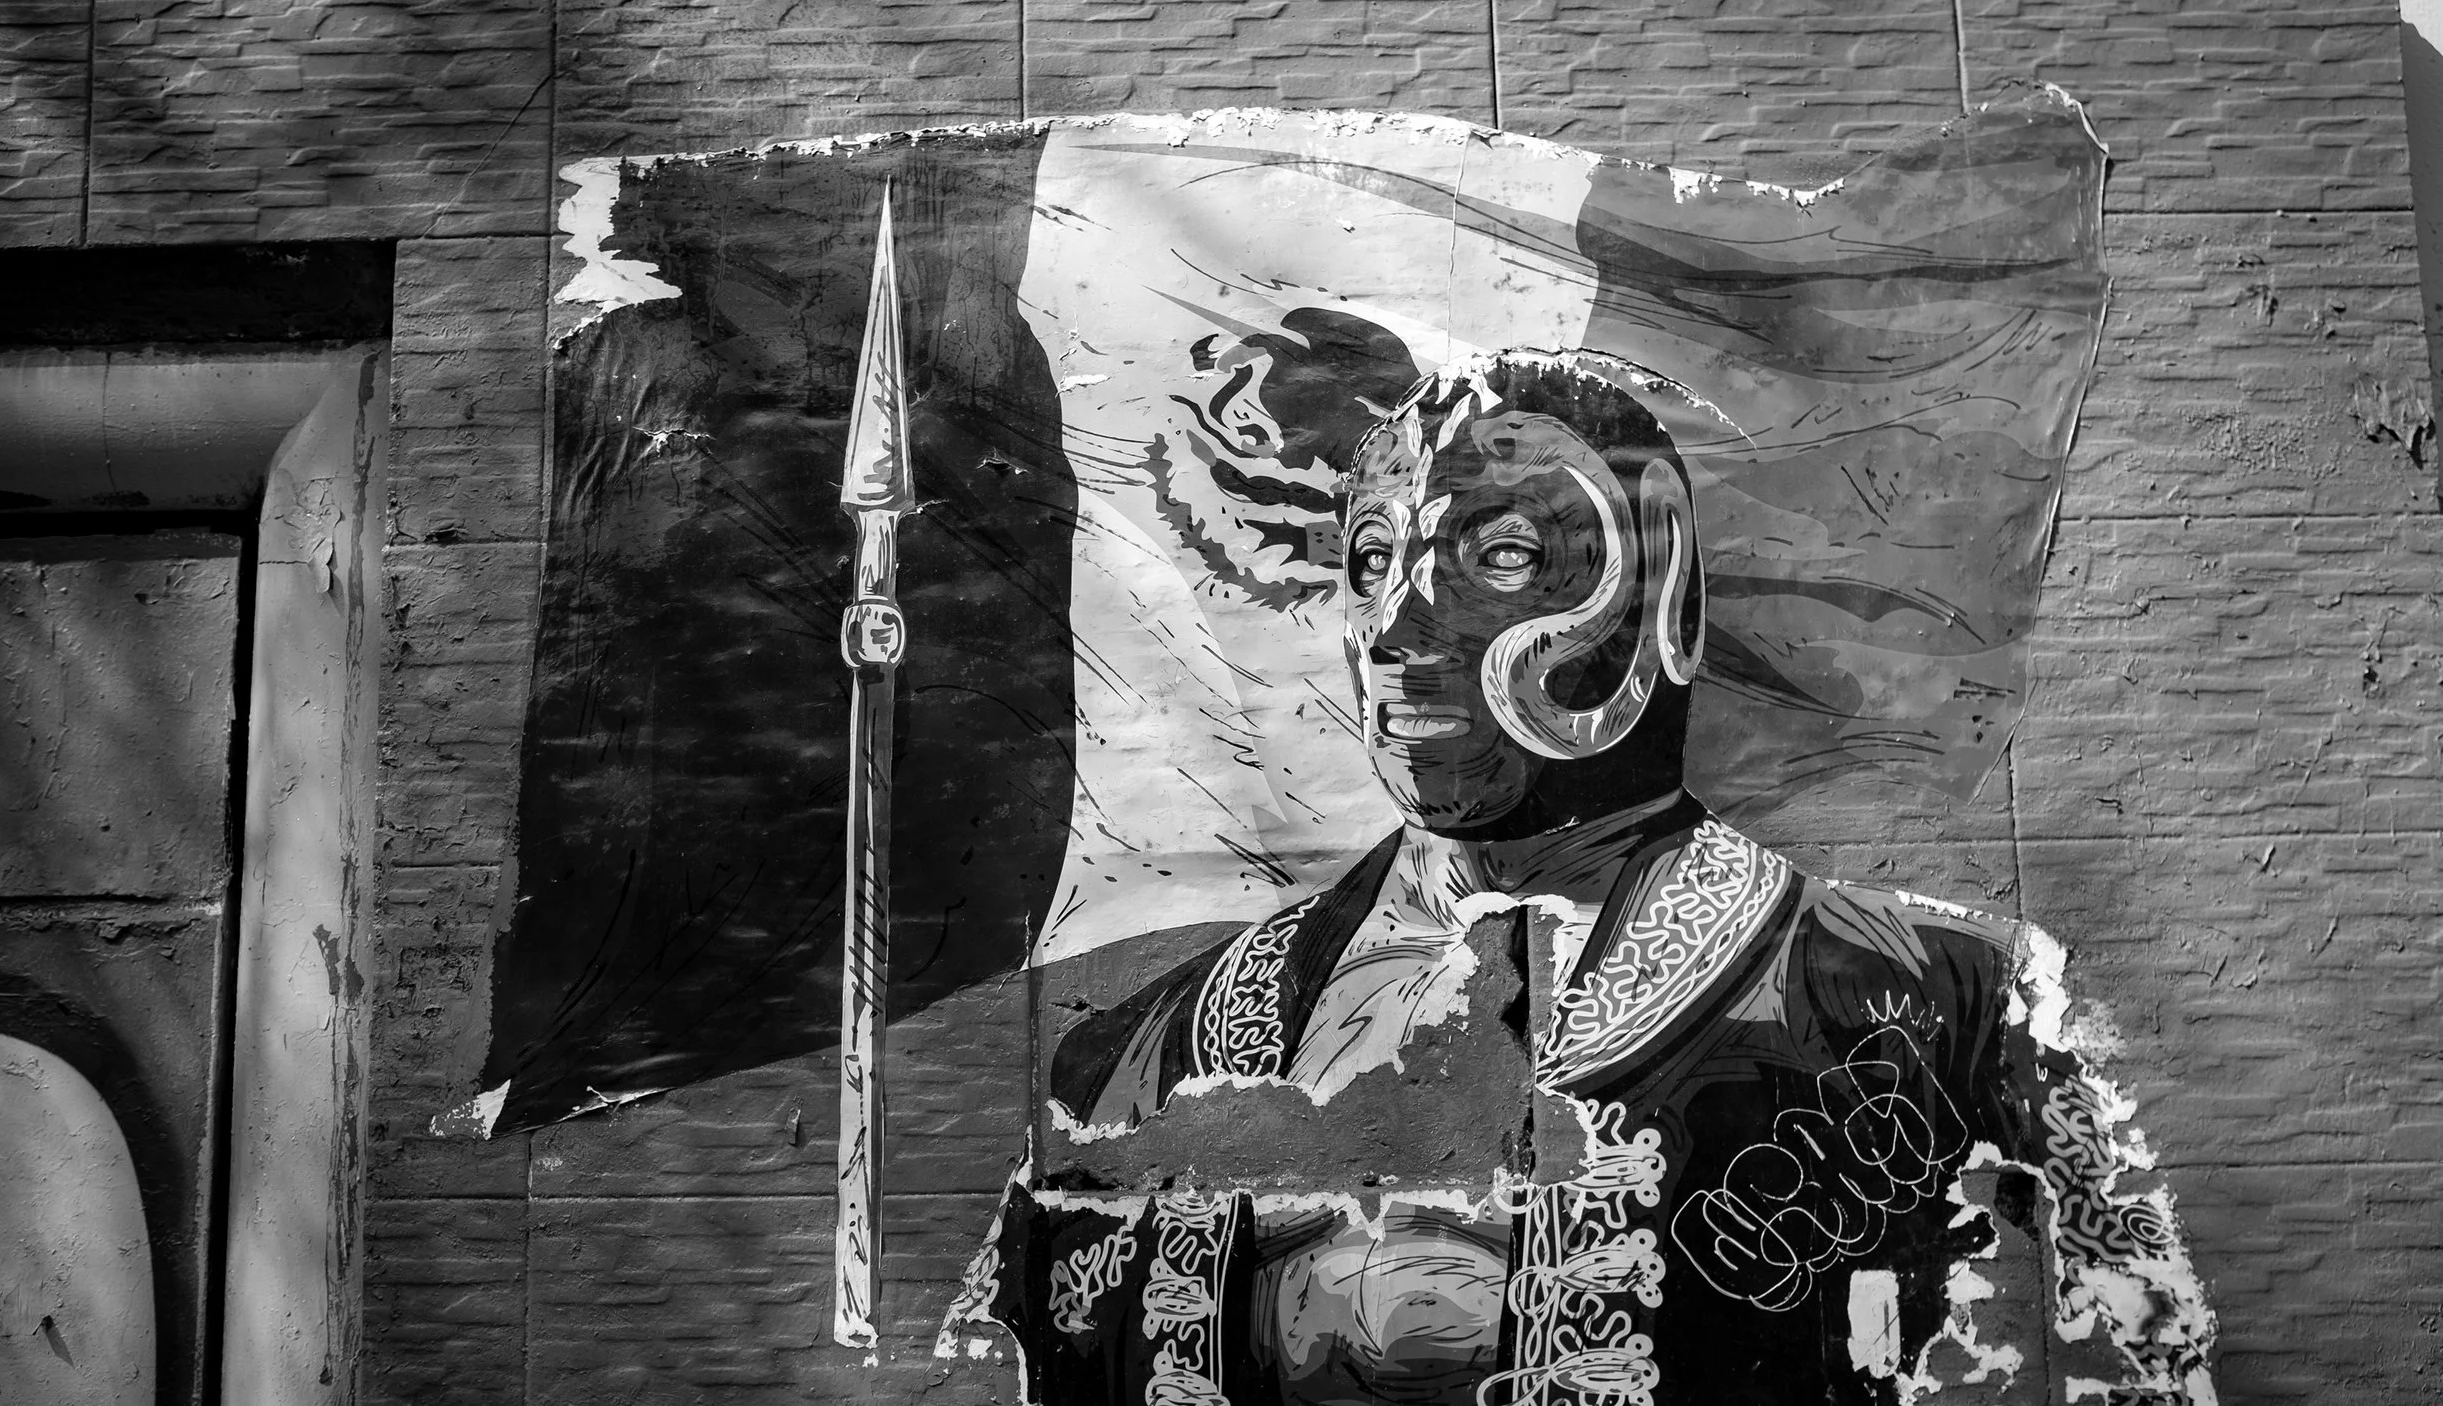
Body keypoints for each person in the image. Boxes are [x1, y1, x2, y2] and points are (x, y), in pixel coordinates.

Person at [944, 352, 2216, 1406]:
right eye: (1374, 559)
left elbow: (2150, 1363)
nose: (1395, 627)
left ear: (1660, 589)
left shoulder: (1954, 1016)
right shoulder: (1131, 1060)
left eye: (1499, 555)